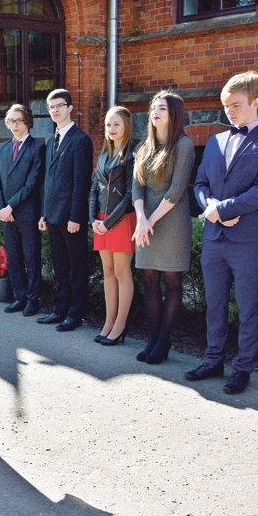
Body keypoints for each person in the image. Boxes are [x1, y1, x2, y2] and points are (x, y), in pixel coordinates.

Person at [185, 72, 258, 394]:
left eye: (236, 105)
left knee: (248, 307)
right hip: (215, 239)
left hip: (248, 240)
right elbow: (199, 183)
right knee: (214, 305)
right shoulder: (215, 141)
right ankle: (213, 359)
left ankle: (243, 368)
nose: (229, 111)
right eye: (226, 106)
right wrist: (211, 207)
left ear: (256, 102)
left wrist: (226, 209)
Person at [131, 91, 196, 364]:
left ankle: (164, 341)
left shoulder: (184, 145)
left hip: (171, 220)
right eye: (153, 108)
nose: (155, 113)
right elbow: (136, 185)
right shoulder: (144, 146)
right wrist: (141, 217)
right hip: (145, 220)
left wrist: (151, 220)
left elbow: (177, 190)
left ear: (174, 114)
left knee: (171, 281)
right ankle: (152, 338)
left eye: (162, 109)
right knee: (148, 280)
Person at [37, 89, 94, 331]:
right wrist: (44, 213)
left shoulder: (81, 140)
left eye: (60, 105)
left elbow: (82, 182)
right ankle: (59, 310)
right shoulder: (51, 141)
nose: (55, 110)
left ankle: (75, 314)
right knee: (60, 267)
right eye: (51, 107)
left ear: (70, 108)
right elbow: (48, 181)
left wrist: (75, 217)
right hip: (53, 215)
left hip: (71, 218)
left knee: (77, 267)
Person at [0, 104, 47, 317]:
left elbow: (32, 184)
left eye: (19, 121)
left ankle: (33, 300)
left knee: (31, 257)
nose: (14, 125)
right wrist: (1, 209)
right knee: (14, 257)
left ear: (28, 123)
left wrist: (11, 207)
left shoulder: (37, 148)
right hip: (7, 215)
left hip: (26, 212)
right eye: (11, 121)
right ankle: (20, 297)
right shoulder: (2, 148)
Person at [90, 106, 137, 345]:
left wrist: (108, 223)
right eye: (108, 125)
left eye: (116, 124)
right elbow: (94, 190)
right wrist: (93, 220)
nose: (111, 129)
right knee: (107, 272)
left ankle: (120, 326)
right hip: (101, 220)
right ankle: (108, 323)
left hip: (121, 220)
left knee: (121, 272)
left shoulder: (132, 155)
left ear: (126, 126)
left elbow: (130, 196)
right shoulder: (104, 155)